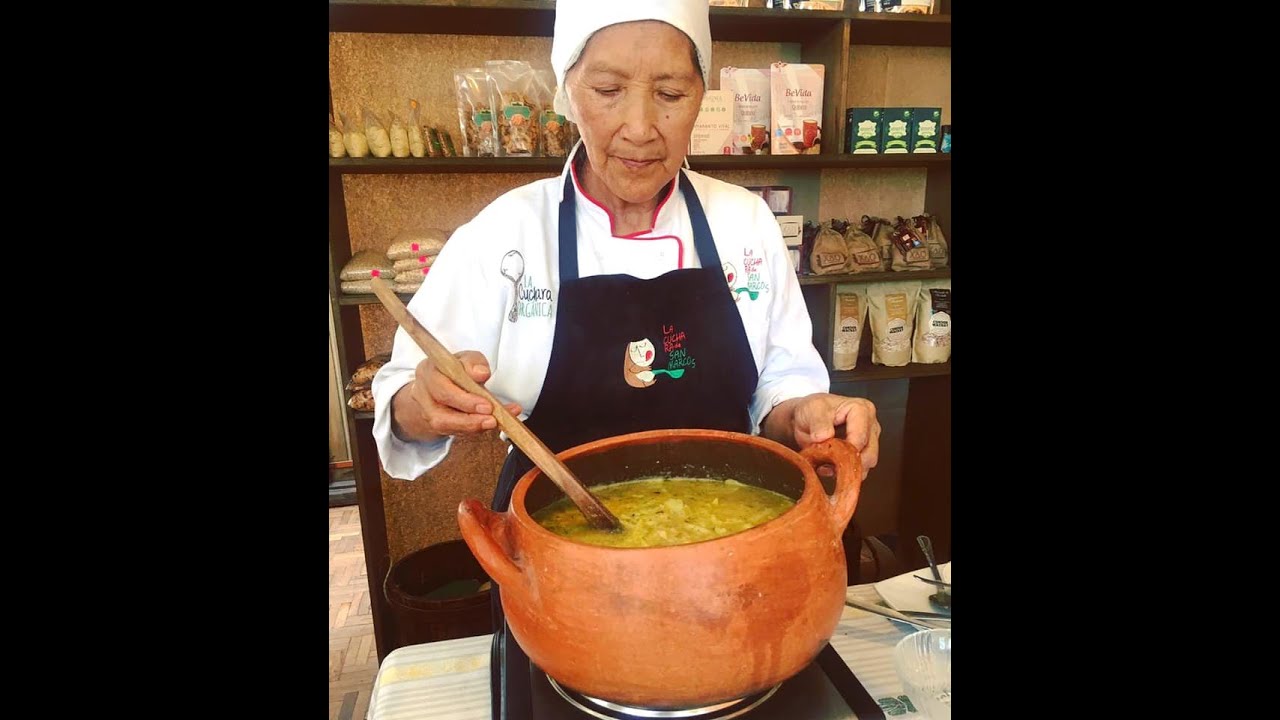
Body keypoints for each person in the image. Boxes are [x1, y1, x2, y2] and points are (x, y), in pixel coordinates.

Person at [370, 1, 881, 715]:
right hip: (557, 574)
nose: (640, 127)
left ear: (701, 95)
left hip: (737, 574)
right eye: (608, 91)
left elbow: (784, 388)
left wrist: (810, 414)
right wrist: (421, 406)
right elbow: (401, 392)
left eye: (670, 95)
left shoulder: (744, 223)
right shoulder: (507, 236)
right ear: (567, 89)